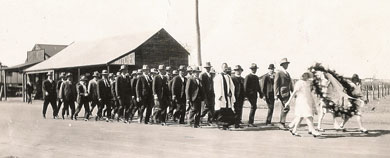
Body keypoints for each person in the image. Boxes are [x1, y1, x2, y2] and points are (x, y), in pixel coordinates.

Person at [285, 72, 321, 137]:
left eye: (306, 75)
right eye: (303, 75)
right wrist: (288, 102)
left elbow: (309, 93)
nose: (305, 76)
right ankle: (313, 130)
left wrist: (313, 104)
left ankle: (294, 130)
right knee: (308, 116)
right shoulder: (299, 83)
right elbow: (294, 93)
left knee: (300, 116)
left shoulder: (308, 83)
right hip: (301, 101)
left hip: (307, 101)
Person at [214, 63, 236, 130]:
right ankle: (221, 125)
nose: (225, 68)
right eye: (224, 67)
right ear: (222, 68)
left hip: (227, 97)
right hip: (222, 97)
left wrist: (230, 93)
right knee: (221, 111)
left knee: (228, 111)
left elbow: (232, 86)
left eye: (226, 67)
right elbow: (216, 87)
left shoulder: (229, 77)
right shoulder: (218, 76)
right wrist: (219, 95)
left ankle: (226, 125)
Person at [274, 58, 294, 129]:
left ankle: (282, 123)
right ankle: (281, 123)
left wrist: (293, 91)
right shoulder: (279, 73)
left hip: (287, 92)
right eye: (286, 64)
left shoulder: (287, 73)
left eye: (287, 64)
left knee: (284, 107)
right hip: (282, 93)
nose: (287, 65)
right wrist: (275, 94)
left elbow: (290, 83)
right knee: (286, 107)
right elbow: (276, 84)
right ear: (282, 64)